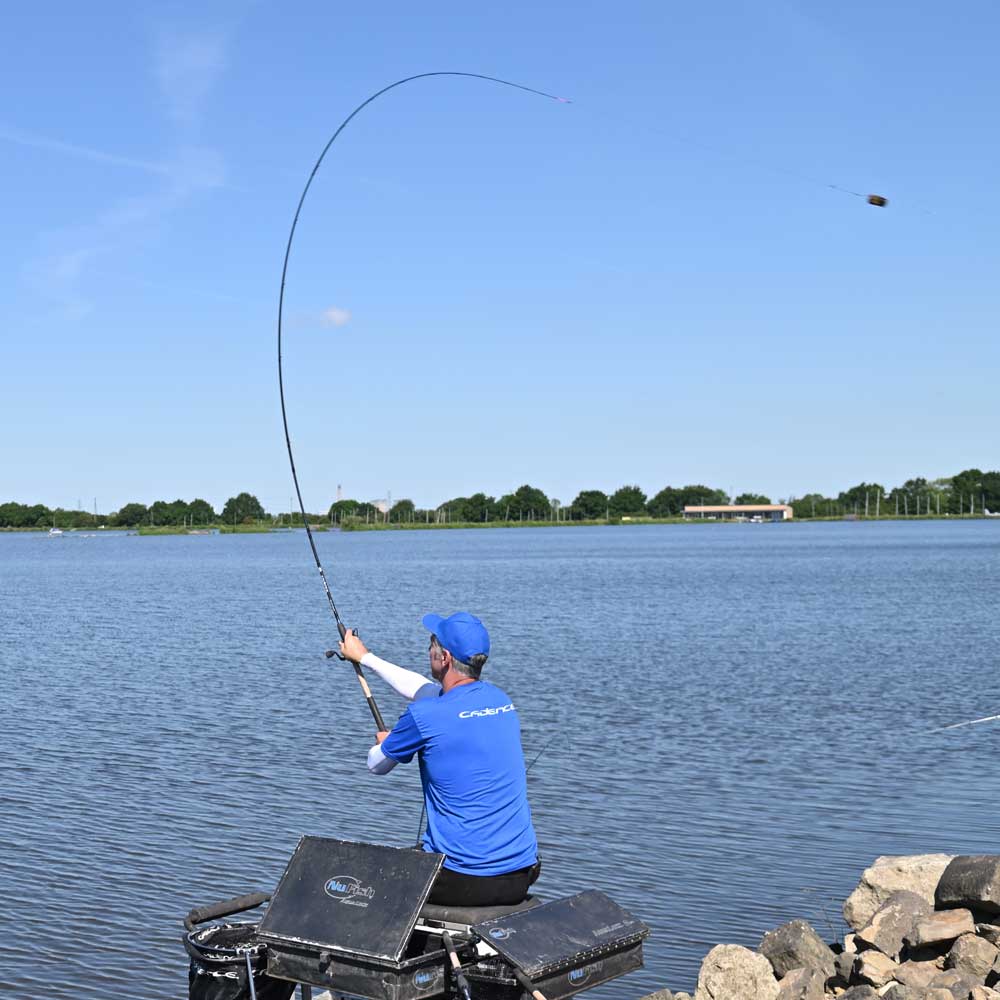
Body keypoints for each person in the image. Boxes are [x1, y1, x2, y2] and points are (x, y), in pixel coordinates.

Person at [339, 611, 539, 907]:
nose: (428, 650)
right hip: (522, 872)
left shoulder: (425, 716)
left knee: (359, 882)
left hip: (464, 880)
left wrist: (385, 743)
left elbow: (376, 764)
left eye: (431, 644)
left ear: (444, 657)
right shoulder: (500, 701)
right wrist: (365, 657)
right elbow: (423, 689)